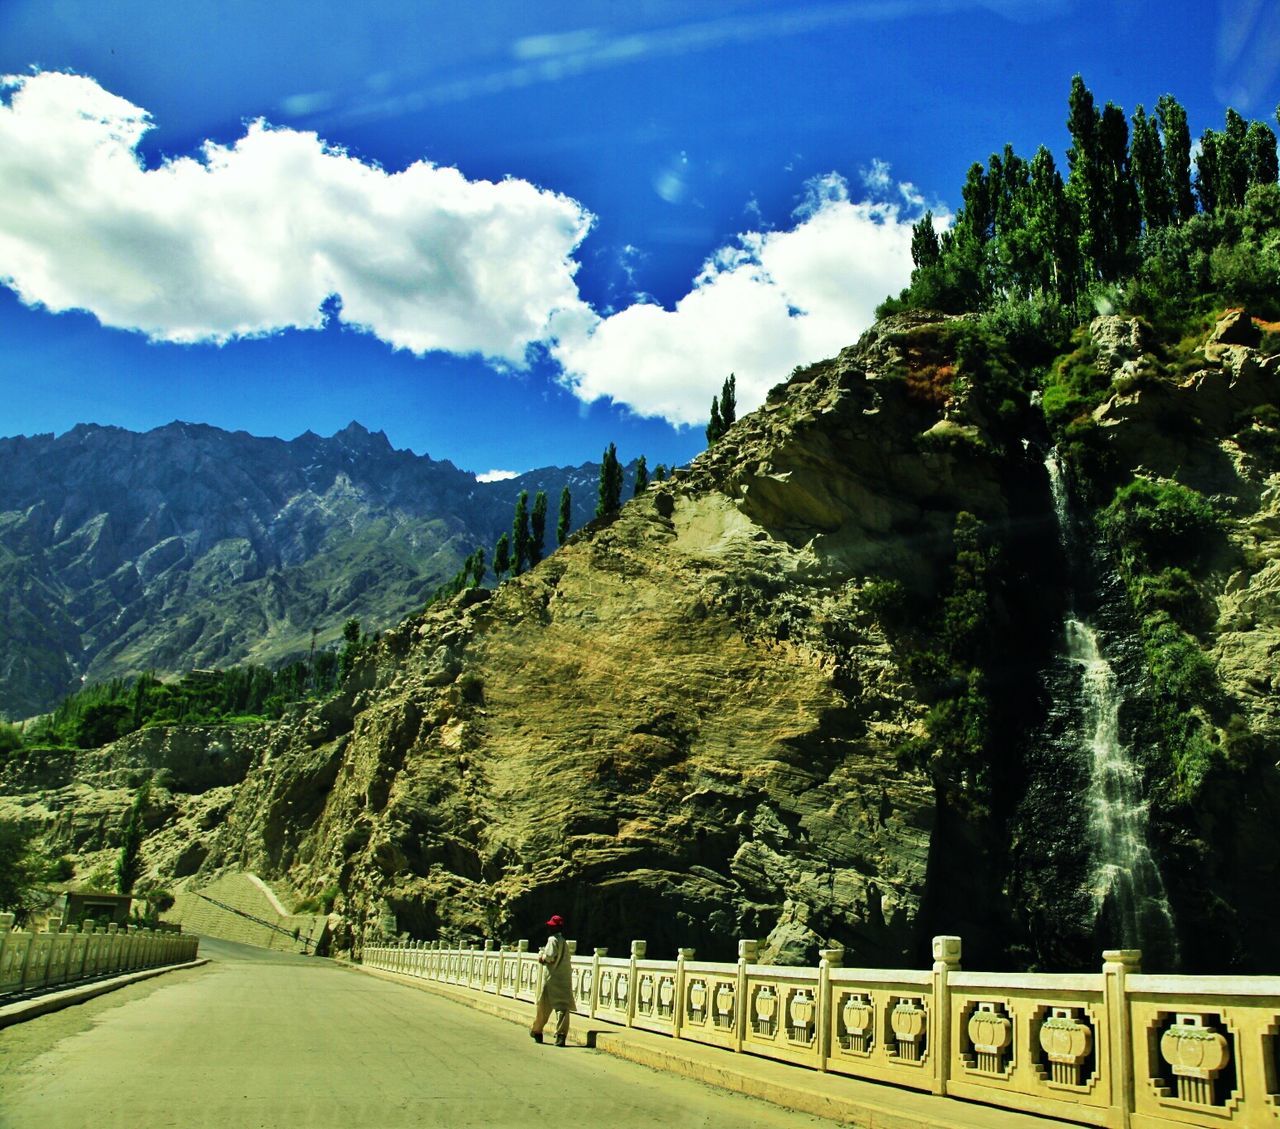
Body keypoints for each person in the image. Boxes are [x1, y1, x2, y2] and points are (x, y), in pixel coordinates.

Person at [529, 913, 576, 1047]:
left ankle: (537, 1031)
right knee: (562, 1008)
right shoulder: (564, 942)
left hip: (551, 978)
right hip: (563, 979)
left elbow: (550, 957)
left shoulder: (552, 940)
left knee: (543, 1006)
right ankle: (561, 1036)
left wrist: (541, 957)